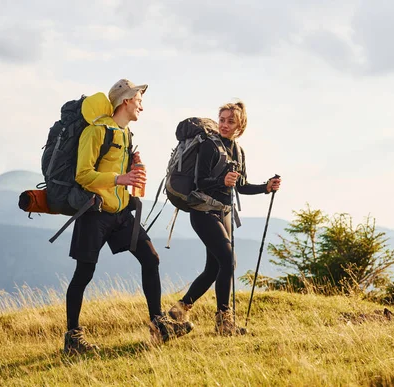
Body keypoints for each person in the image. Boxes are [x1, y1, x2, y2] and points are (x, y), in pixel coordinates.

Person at [63, 79, 193, 354]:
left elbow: (122, 175)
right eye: (139, 101)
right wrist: (120, 176)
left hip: (120, 212)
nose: (141, 108)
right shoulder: (96, 132)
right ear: (126, 100)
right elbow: (82, 175)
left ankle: (159, 325)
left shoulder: (126, 135)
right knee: (84, 273)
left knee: (151, 258)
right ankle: (73, 338)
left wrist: (132, 169)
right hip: (95, 212)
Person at [169, 101, 281, 336]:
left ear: (240, 126)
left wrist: (266, 188)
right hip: (203, 212)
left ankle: (180, 309)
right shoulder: (209, 146)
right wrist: (222, 181)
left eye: (231, 121)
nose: (225, 125)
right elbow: (201, 182)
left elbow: (241, 186)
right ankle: (224, 321)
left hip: (224, 213)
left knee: (213, 268)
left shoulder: (238, 151)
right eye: (222, 120)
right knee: (229, 262)